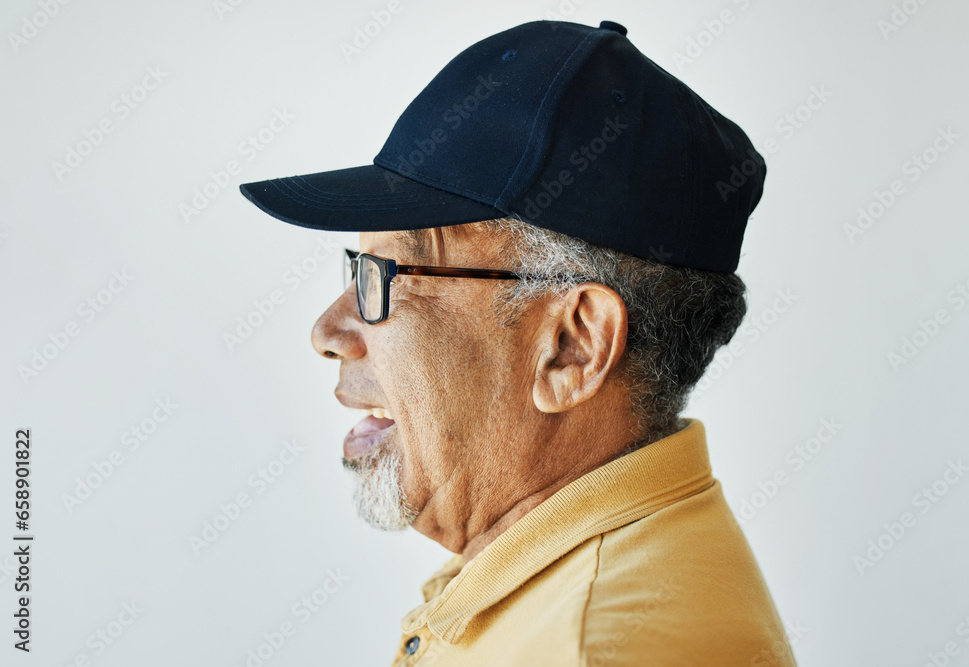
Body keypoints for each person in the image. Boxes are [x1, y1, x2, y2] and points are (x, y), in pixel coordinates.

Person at [240, 18, 795, 667]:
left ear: (572, 346)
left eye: (383, 276)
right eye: (355, 267)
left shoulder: (599, 649)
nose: (327, 332)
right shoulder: (565, 588)